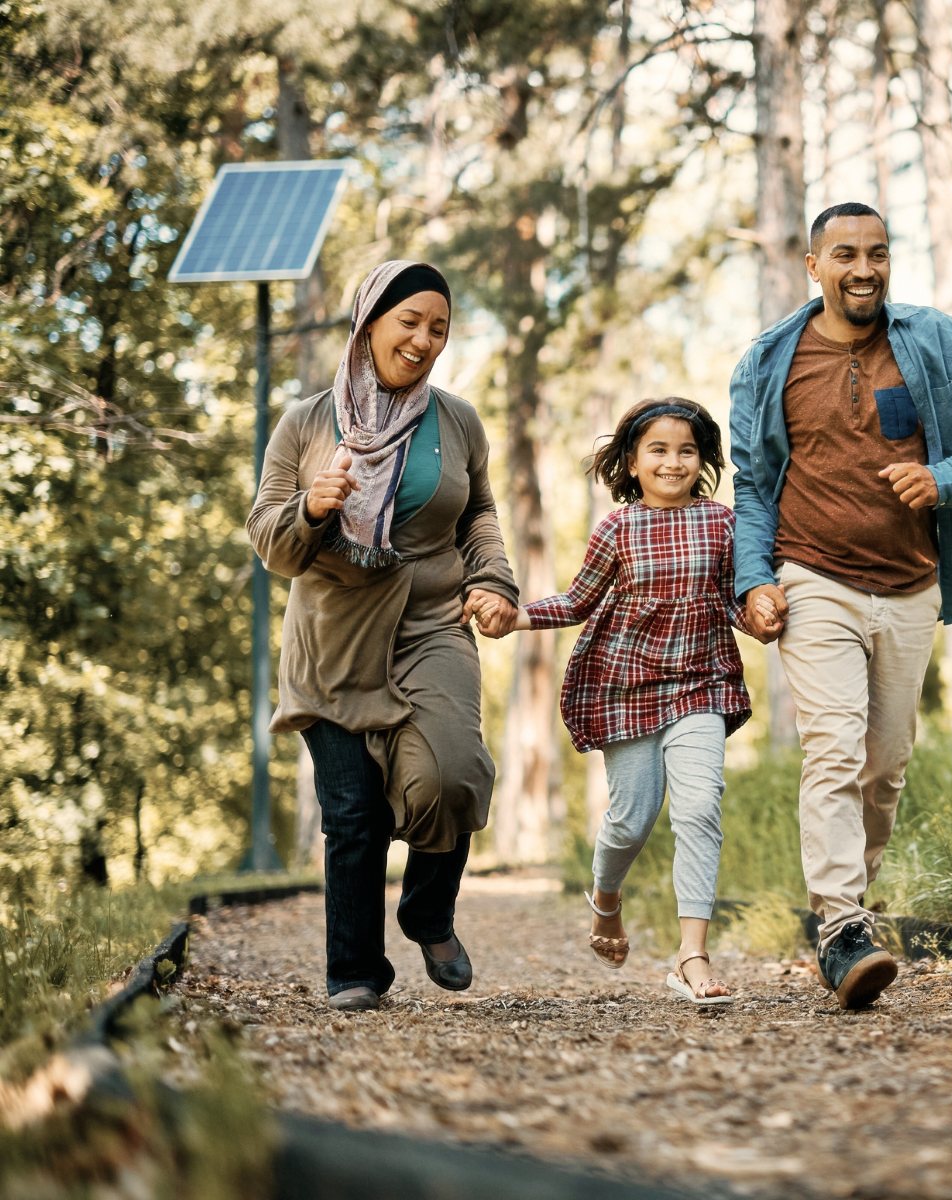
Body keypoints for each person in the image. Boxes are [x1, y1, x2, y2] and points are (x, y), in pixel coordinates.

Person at [729, 202, 952, 1009]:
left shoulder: (933, 338)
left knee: (884, 767)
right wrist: (754, 579)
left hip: (910, 583)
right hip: (814, 576)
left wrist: (946, 479)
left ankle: (848, 913)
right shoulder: (770, 359)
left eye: (877, 252)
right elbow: (756, 486)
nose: (862, 268)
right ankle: (840, 928)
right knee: (832, 747)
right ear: (813, 265)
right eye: (844, 254)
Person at [247, 259, 519, 1013]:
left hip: (431, 621)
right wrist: (310, 507)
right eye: (411, 322)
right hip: (333, 637)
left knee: (453, 774)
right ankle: (355, 970)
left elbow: (479, 516)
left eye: (440, 328)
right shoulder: (305, 421)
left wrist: (494, 581)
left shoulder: (457, 420)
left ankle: (428, 910)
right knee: (355, 813)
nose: (426, 340)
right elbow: (268, 542)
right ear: (368, 325)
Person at [474, 397, 776, 1006]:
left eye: (686, 451)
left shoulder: (721, 523)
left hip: (701, 683)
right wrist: (517, 617)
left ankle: (692, 955)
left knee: (699, 810)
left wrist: (762, 617)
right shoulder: (618, 527)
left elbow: (733, 600)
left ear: (702, 459)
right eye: (658, 450)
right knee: (631, 818)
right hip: (627, 689)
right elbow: (578, 601)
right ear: (633, 462)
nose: (674, 462)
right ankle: (606, 898)